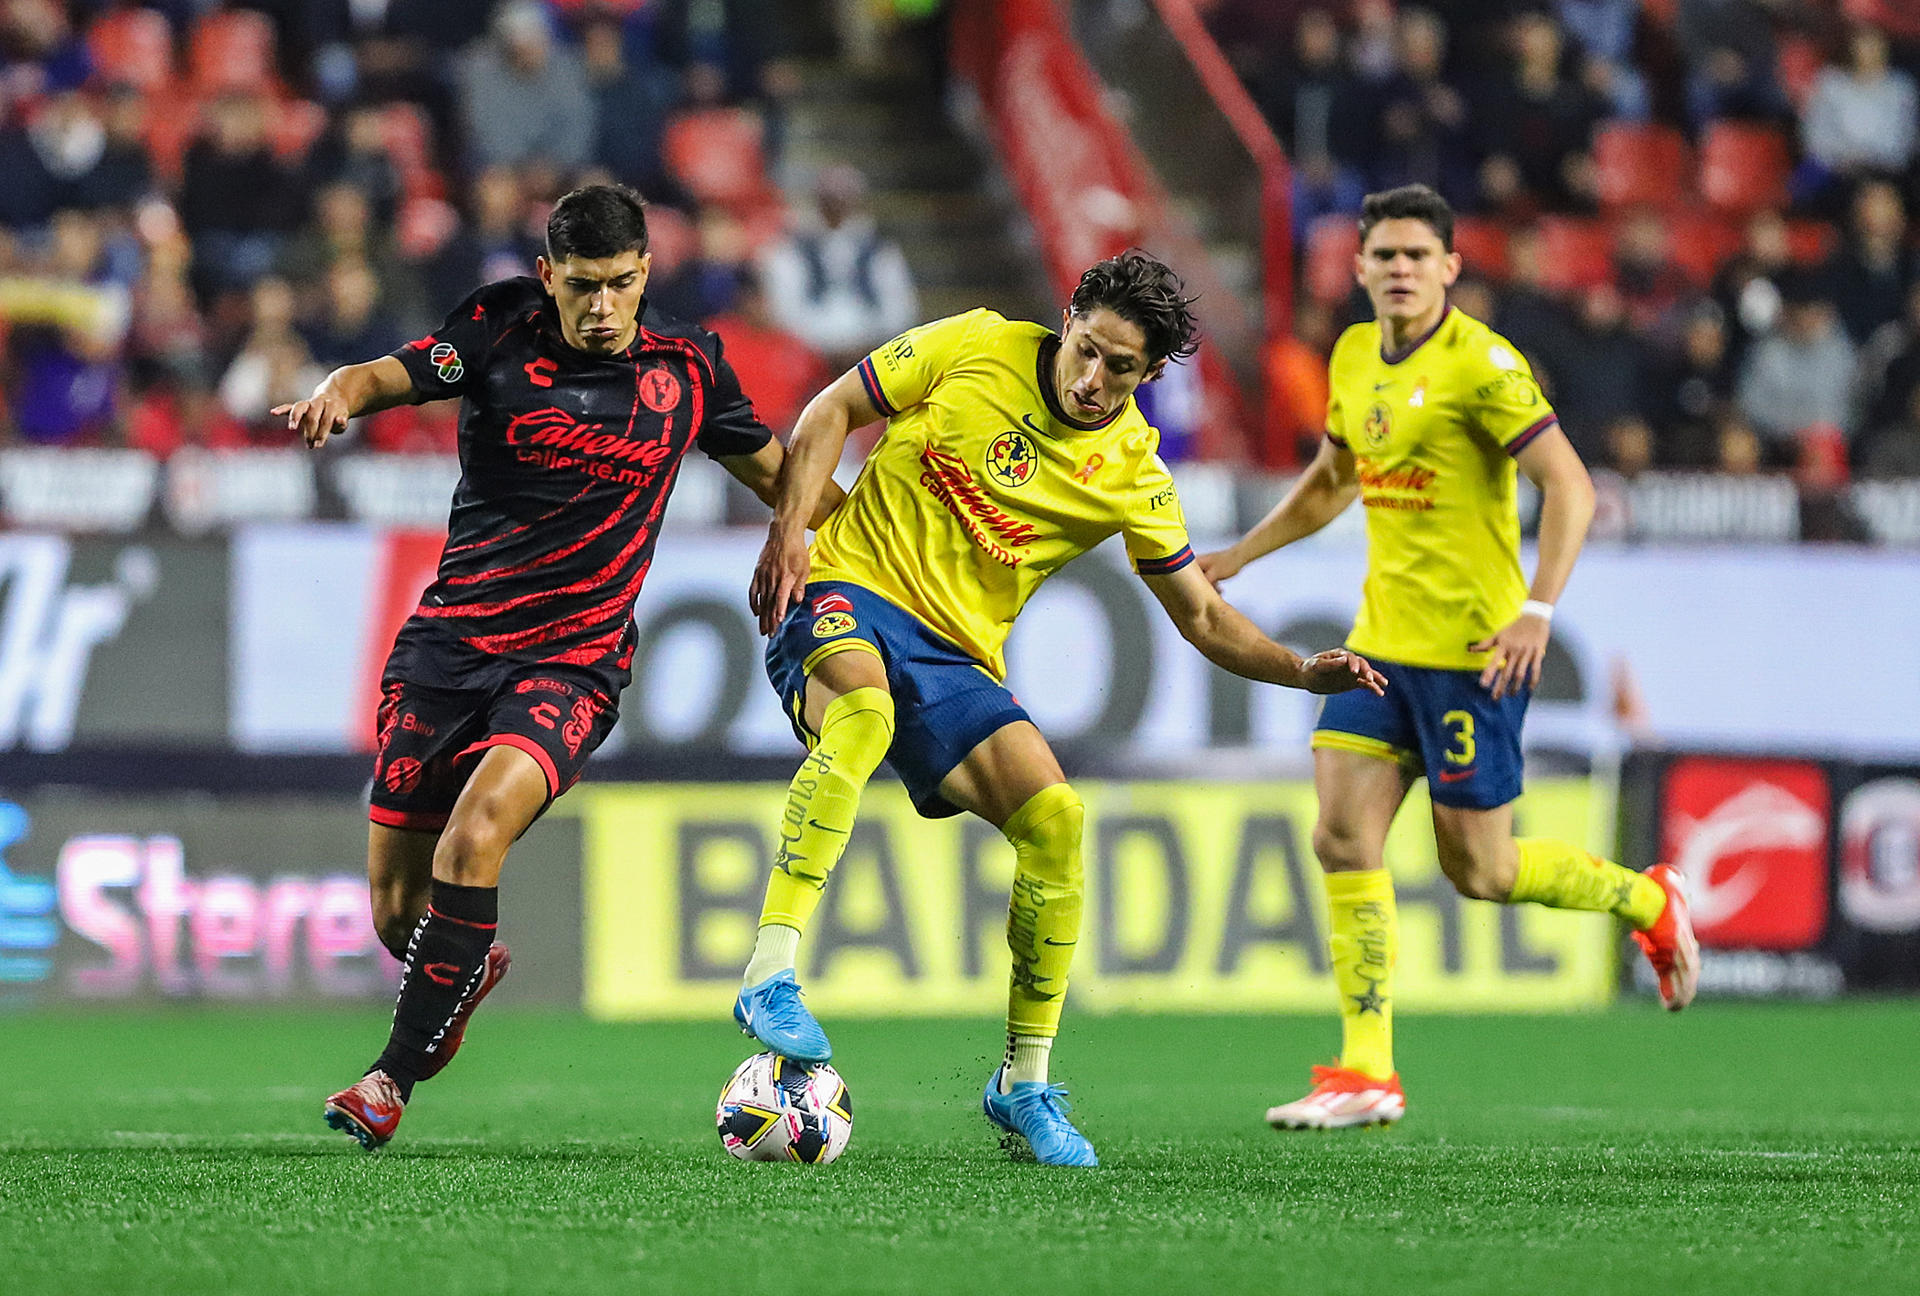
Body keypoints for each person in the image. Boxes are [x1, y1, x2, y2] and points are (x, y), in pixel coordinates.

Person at [732, 250, 1388, 1167]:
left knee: (1056, 819)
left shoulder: (1133, 474)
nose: (1092, 378)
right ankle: (771, 971)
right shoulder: (976, 342)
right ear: (1070, 314)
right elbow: (830, 409)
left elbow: (1199, 611)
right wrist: (789, 534)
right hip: (844, 586)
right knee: (864, 716)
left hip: (956, 656)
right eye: (1087, 349)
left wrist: (1295, 671)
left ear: (1151, 374)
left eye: (1120, 368)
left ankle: (1023, 1084)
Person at [279, 184, 839, 1151]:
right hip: (451, 647)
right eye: (583, 286)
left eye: (621, 284)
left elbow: (779, 471)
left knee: (477, 833)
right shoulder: (497, 330)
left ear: (644, 275)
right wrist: (340, 389)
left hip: (575, 661)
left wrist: (856, 533)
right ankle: (460, 969)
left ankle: (388, 1081)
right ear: (549, 277)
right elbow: (392, 372)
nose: (603, 306)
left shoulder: (688, 365)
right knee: (397, 914)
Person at [1198, 185, 1699, 1132]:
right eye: (1382, 255)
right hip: (1381, 647)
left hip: (1474, 656)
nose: (1398, 271)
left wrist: (1538, 609)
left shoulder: (1483, 365)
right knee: (1341, 835)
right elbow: (1331, 483)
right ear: (1357, 268)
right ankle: (1367, 1070)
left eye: (1417, 257)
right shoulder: (1351, 356)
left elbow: (1573, 488)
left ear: (1450, 270)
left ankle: (1645, 896)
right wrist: (1237, 557)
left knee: (1484, 871)